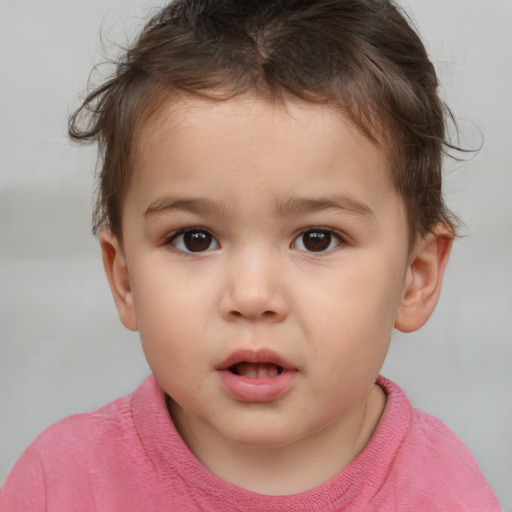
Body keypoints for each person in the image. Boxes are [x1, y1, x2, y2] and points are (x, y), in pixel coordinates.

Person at [0, 0, 502, 510]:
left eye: (317, 239)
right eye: (194, 239)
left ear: (415, 279)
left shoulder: (447, 495)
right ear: (125, 279)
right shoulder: (58, 486)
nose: (253, 296)